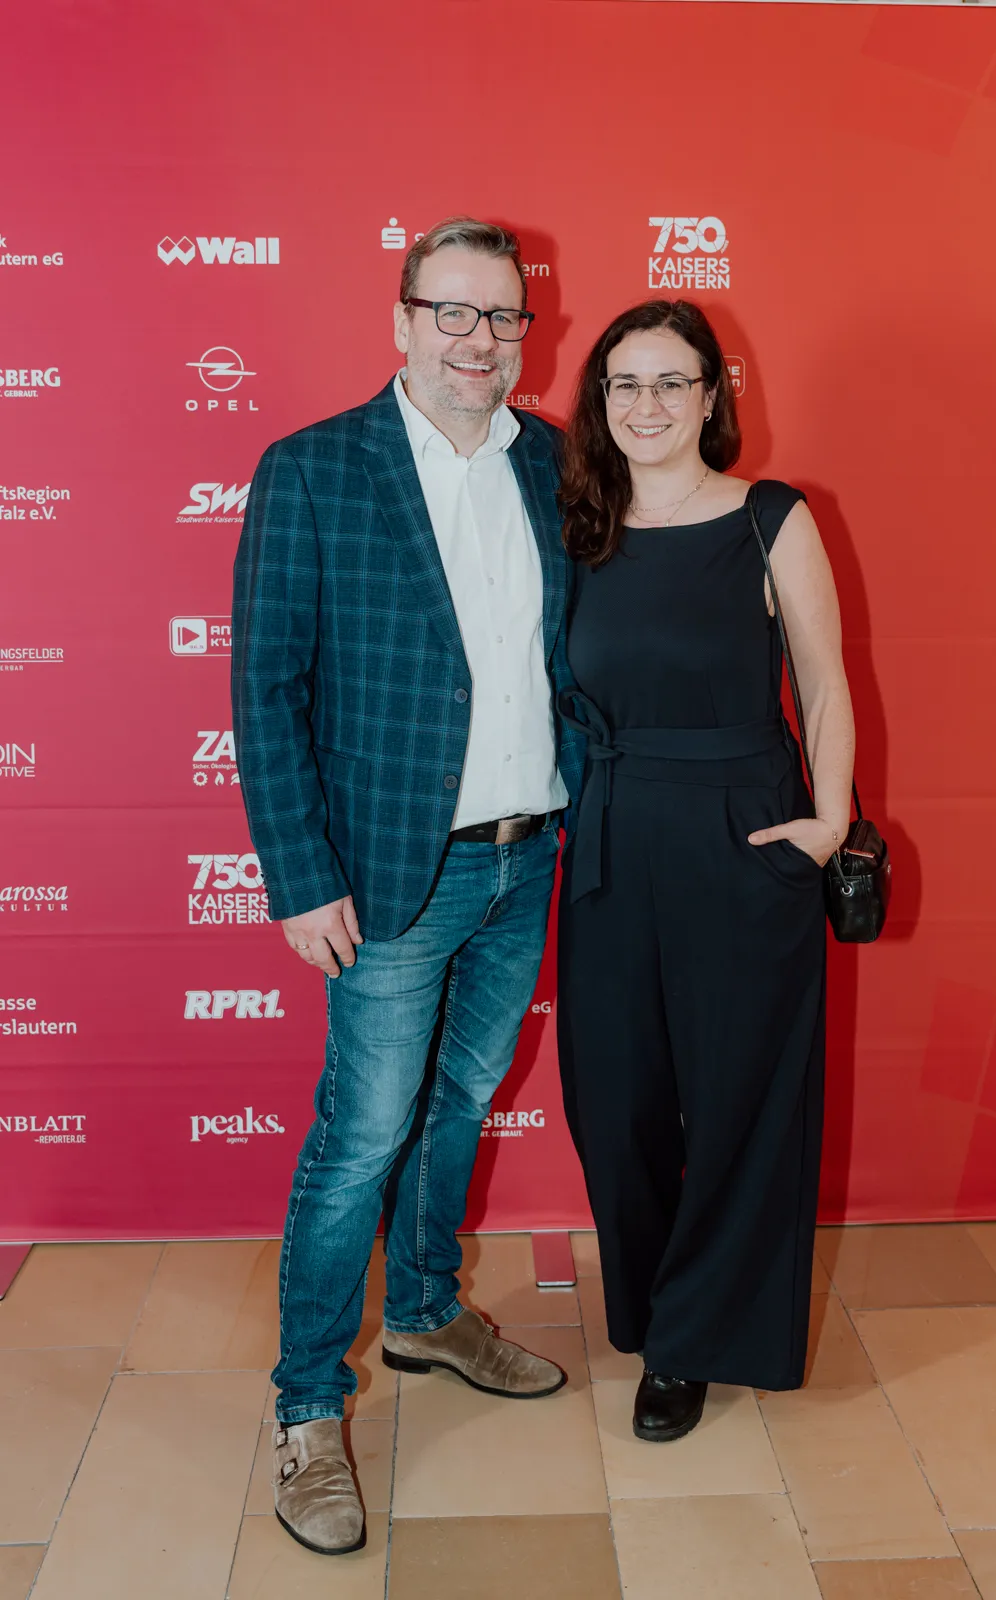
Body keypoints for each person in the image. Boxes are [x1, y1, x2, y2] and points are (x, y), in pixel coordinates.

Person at [231, 217, 583, 1555]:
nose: (477, 340)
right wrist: (298, 874)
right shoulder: (314, 468)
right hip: (388, 873)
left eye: (502, 316)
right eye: (452, 311)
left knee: (458, 1105)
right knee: (360, 1136)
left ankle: (427, 1311)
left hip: (526, 855)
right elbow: (264, 688)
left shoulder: (552, 462)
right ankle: (308, 1406)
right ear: (401, 321)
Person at [555, 299, 854, 1443]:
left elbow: (821, 682)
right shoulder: (579, 526)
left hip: (744, 831)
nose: (646, 404)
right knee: (614, 1100)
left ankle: (689, 1343)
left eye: (670, 381)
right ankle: (648, 1306)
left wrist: (828, 821)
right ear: (599, 402)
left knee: (740, 1102)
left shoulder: (770, 518)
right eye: (624, 383)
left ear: (709, 397)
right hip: (613, 835)